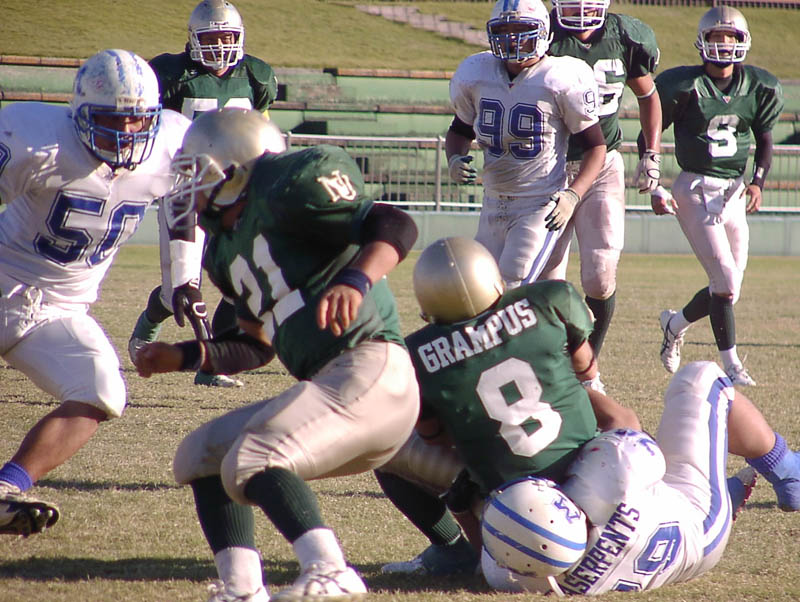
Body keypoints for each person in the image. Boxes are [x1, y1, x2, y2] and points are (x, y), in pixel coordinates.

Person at [133, 108, 420, 601]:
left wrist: (355, 279)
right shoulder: (224, 251)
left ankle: (331, 570)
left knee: (254, 455)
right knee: (201, 454)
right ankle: (242, 588)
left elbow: (393, 223)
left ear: (234, 168)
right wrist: (179, 357)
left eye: (196, 172)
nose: (188, 188)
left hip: (371, 368)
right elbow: (254, 346)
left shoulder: (291, 182)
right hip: (330, 387)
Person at [0, 49, 191, 537]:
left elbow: (185, 211)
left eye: (137, 119)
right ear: (80, 113)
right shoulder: (36, 138)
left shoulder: (173, 144)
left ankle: (6, 488)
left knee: (101, 392)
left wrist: (184, 280)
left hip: (59, 308)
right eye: (111, 119)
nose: (126, 132)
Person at [378, 236, 640, 576]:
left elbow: (436, 438)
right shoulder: (549, 299)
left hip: (510, 504)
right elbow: (586, 370)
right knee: (617, 418)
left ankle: (451, 550)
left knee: (384, 450)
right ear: (490, 276)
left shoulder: (415, 355)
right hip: (586, 471)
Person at [481, 360, 800, 595]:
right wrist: (562, 389)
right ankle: (788, 472)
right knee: (701, 378)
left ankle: (728, 491)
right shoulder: (607, 478)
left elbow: (499, 536)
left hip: (667, 556)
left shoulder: (507, 575)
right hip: (699, 522)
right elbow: (627, 425)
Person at [128, 0, 279, 388]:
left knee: (240, 277)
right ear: (194, 39)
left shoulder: (256, 76)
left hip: (234, 189)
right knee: (180, 288)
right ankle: (147, 327)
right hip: (184, 186)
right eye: (212, 38)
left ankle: (212, 366)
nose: (220, 46)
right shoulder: (171, 74)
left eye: (227, 37)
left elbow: (259, 128)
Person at [649, 6, 783, 386]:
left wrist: (757, 182)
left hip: (734, 191)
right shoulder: (682, 86)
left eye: (730, 38)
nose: (723, 45)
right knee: (724, 281)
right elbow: (650, 131)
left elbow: (765, 141)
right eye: (716, 37)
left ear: (743, 42)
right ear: (702, 42)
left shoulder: (758, 86)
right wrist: (654, 182)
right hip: (694, 188)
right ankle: (732, 365)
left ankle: (674, 324)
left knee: (729, 290)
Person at [446, 0, 606, 290]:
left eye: (521, 29)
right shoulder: (478, 73)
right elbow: (459, 130)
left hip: (539, 203)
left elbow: (596, 147)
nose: (512, 38)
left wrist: (573, 195)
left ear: (543, 32)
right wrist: (454, 159)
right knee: (479, 286)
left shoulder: (559, 78)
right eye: (504, 30)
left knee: (511, 282)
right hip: (493, 200)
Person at [546, 0, 662, 355]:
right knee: (546, 279)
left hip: (602, 164)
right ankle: (549, 361)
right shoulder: (543, 33)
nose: (581, 10)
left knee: (599, 275)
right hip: (548, 165)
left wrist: (652, 152)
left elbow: (648, 94)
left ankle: (587, 366)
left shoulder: (623, 37)